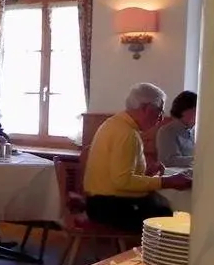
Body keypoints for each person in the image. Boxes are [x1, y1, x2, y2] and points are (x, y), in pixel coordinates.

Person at [83, 83, 192, 232]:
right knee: (173, 218)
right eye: (159, 111)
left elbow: (118, 175)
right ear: (146, 108)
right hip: (109, 207)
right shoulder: (126, 133)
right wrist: (166, 182)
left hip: (99, 203)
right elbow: (122, 181)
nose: (161, 118)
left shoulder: (114, 124)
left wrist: (146, 173)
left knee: (162, 206)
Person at [155, 90, 196, 168]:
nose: (197, 115)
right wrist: (198, 160)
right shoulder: (167, 131)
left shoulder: (194, 131)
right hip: (175, 173)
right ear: (183, 111)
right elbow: (168, 161)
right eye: (195, 111)